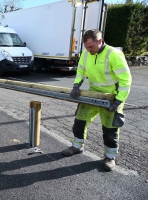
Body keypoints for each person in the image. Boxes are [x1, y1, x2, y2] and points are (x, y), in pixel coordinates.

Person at [62, 29, 132, 171]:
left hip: (111, 97)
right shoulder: (86, 54)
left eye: (91, 47)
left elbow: (126, 80)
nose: (88, 50)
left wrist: (118, 101)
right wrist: (76, 85)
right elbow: (81, 70)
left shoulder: (114, 54)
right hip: (93, 94)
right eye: (86, 47)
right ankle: (77, 146)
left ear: (100, 41)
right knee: (79, 121)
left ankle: (110, 157)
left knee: (110, 129)